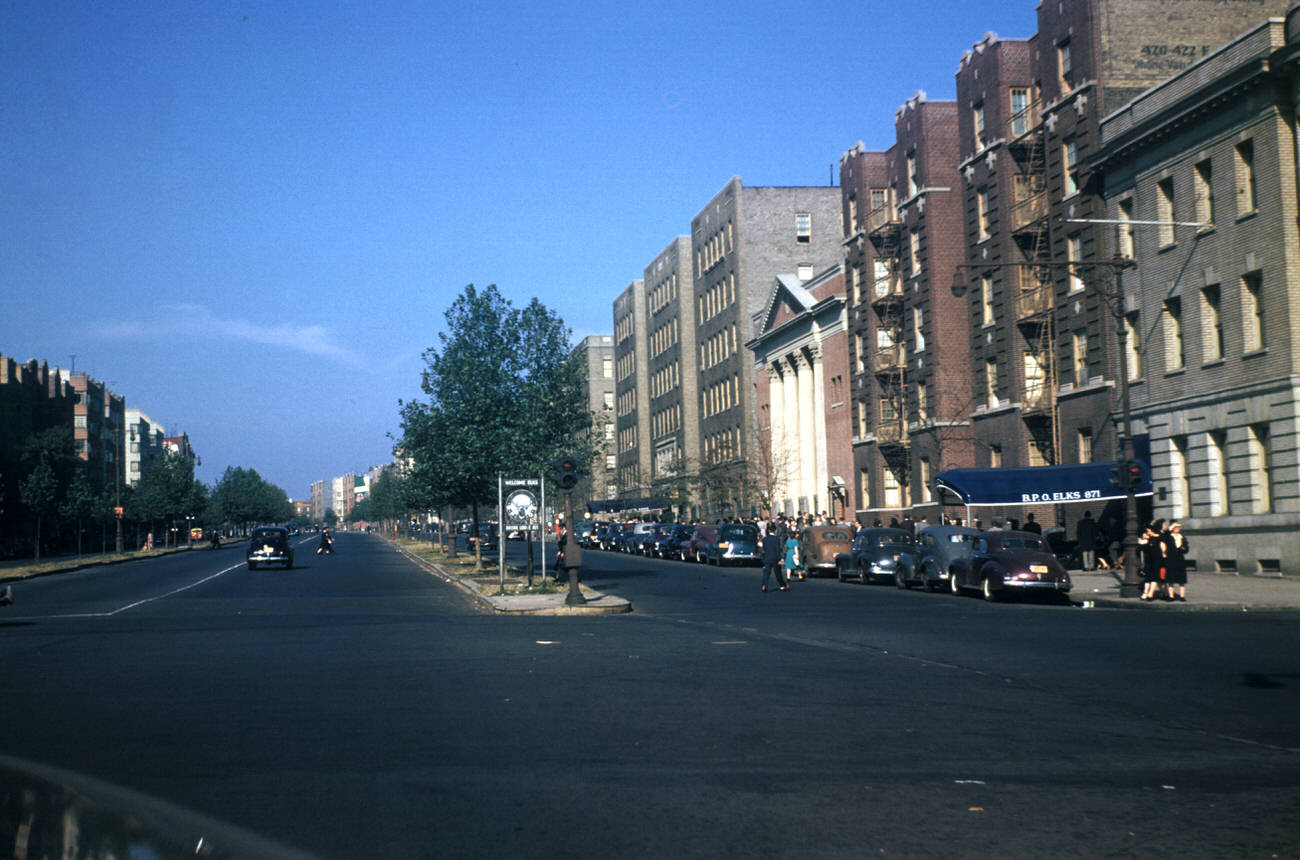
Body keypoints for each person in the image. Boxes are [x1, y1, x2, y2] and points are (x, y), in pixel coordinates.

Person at [1162, 521, 1190, 601]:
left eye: (1178, 527)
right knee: (1170, 579)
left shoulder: (1182, 537)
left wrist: (1183, 548)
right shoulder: (1169, 536)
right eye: (1175, 527)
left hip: (1180, 559)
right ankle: (1171, 596)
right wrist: (1171, 527)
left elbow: (1186, 548)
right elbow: (1163, 536)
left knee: (1181, 579)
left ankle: (1182, 596)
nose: (1177, 529)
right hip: (1171, 559)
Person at [1138, 520, 1164, 600]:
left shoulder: (1159, 538)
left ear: (1153, 531)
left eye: (1149, 531)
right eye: (1147, 531)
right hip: (1149, 561)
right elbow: (1141, 548)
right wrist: (1141, 542)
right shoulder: (1148, 540)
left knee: (1154, 578)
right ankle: (1146, 593)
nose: (1147, 533)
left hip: (1157, 561)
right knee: (1148, 578)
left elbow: (1162, 547)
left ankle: (1150, 594)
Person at [761, 522, 787, 592]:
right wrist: (779, 559)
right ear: (775, 531)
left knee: (766, 573)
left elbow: (764, 549)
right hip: (775, 558)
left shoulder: (765, 539)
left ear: (768, 531)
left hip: (767, 557)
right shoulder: (777, 539)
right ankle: (782, 585)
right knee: (778, 573)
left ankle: (764, 585)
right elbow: (777, 550)